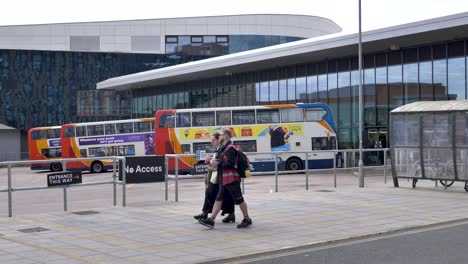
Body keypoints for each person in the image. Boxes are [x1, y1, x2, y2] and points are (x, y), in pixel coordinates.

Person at [198, 128, 252, 229]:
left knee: (239, 199)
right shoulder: (225, 148)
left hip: (232, 179)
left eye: (221, 134)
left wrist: (217, 164)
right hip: (225, 179)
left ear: (226, 136)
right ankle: (211, 220)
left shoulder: (230, 148)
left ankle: (247, 219)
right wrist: (215, 162)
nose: (220, 136)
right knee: (219, 199)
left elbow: (230, 164)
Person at [193, 132, 235, 222]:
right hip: (217, 176)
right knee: (215, 194)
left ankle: (211, 217)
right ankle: (207, 214)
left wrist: (214, 163)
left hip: (222, 176)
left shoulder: (224, 148)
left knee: (225, 196)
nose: (211, 142)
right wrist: (211, 161)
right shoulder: (218, 149)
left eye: (213, 140)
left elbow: (224, 162)